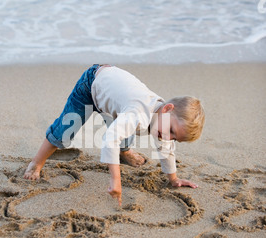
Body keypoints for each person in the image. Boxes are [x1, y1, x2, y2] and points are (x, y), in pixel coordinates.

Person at [24, 64, 205, 206]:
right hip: (91, 85)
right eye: (172, 131)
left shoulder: (163, 119)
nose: (168, 138)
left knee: (125, 129)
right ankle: (36, 163)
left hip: (114, 98)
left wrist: (173, 179)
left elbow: (166, 149)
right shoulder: (139, 113)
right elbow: (109, 139)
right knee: (66, 129)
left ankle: (124, 151)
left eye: (175, 138)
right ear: (167, 109)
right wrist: (115, 179)